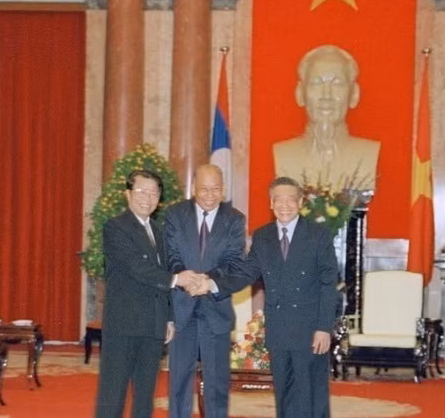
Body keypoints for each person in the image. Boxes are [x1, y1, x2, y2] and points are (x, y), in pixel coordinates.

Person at [189, 176, 339, 418]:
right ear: (271, 203)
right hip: (278, 330)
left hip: (310, 331)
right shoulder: (263, 236)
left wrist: (324, 327)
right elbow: (245, 273)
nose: (284, 205)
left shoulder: (317, 235)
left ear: (300, 202)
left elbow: (328, 283)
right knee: (284, 396)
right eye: (278, 200)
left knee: (312, 396)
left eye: (290, 200)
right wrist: (212, 284)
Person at [95, 169, 199, 418]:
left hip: (153, 325)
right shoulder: (116, 227)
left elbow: (164, 272)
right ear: (128, 194)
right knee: (113, 393)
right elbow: (137, 267)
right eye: (142, 191)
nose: (148, 198)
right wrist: (177, 279)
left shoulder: (158, 230)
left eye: (153, 193)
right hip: (124, 324)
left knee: (145, 394)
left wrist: (169, 317)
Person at [164, 164, 246, 418]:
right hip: (182, 309)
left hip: (215, 308)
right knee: (178, 381)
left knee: (217, 384)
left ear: (223, 189)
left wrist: (207, 281)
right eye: (204, 189)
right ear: (193, 188)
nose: (210, 195)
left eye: (216, 189)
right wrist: (185, 278)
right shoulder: (175, 214)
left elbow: (233, 261)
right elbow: (170, 256)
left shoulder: (234, 219)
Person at [273, 45, 379, 190]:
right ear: (300, 94)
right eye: (316, 83)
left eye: (337, 83)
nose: (326, 95)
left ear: (354, 94)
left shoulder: (367, 154)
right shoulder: (284, 154)